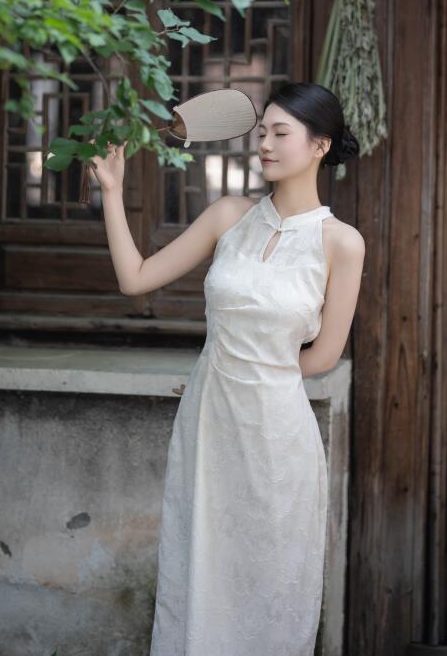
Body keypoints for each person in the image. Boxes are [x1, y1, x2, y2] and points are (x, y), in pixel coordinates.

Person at [89, 81, 365, 655]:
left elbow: (323, 356)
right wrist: (112, 192)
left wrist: (255, 376)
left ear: (320, 145)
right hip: (209, 427)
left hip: (278, 439)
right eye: (261, 132)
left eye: (280, 133)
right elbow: (135, 279)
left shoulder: (342, 243)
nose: (264, 144)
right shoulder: (228, 216)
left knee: (269, 586)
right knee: (201, 577)